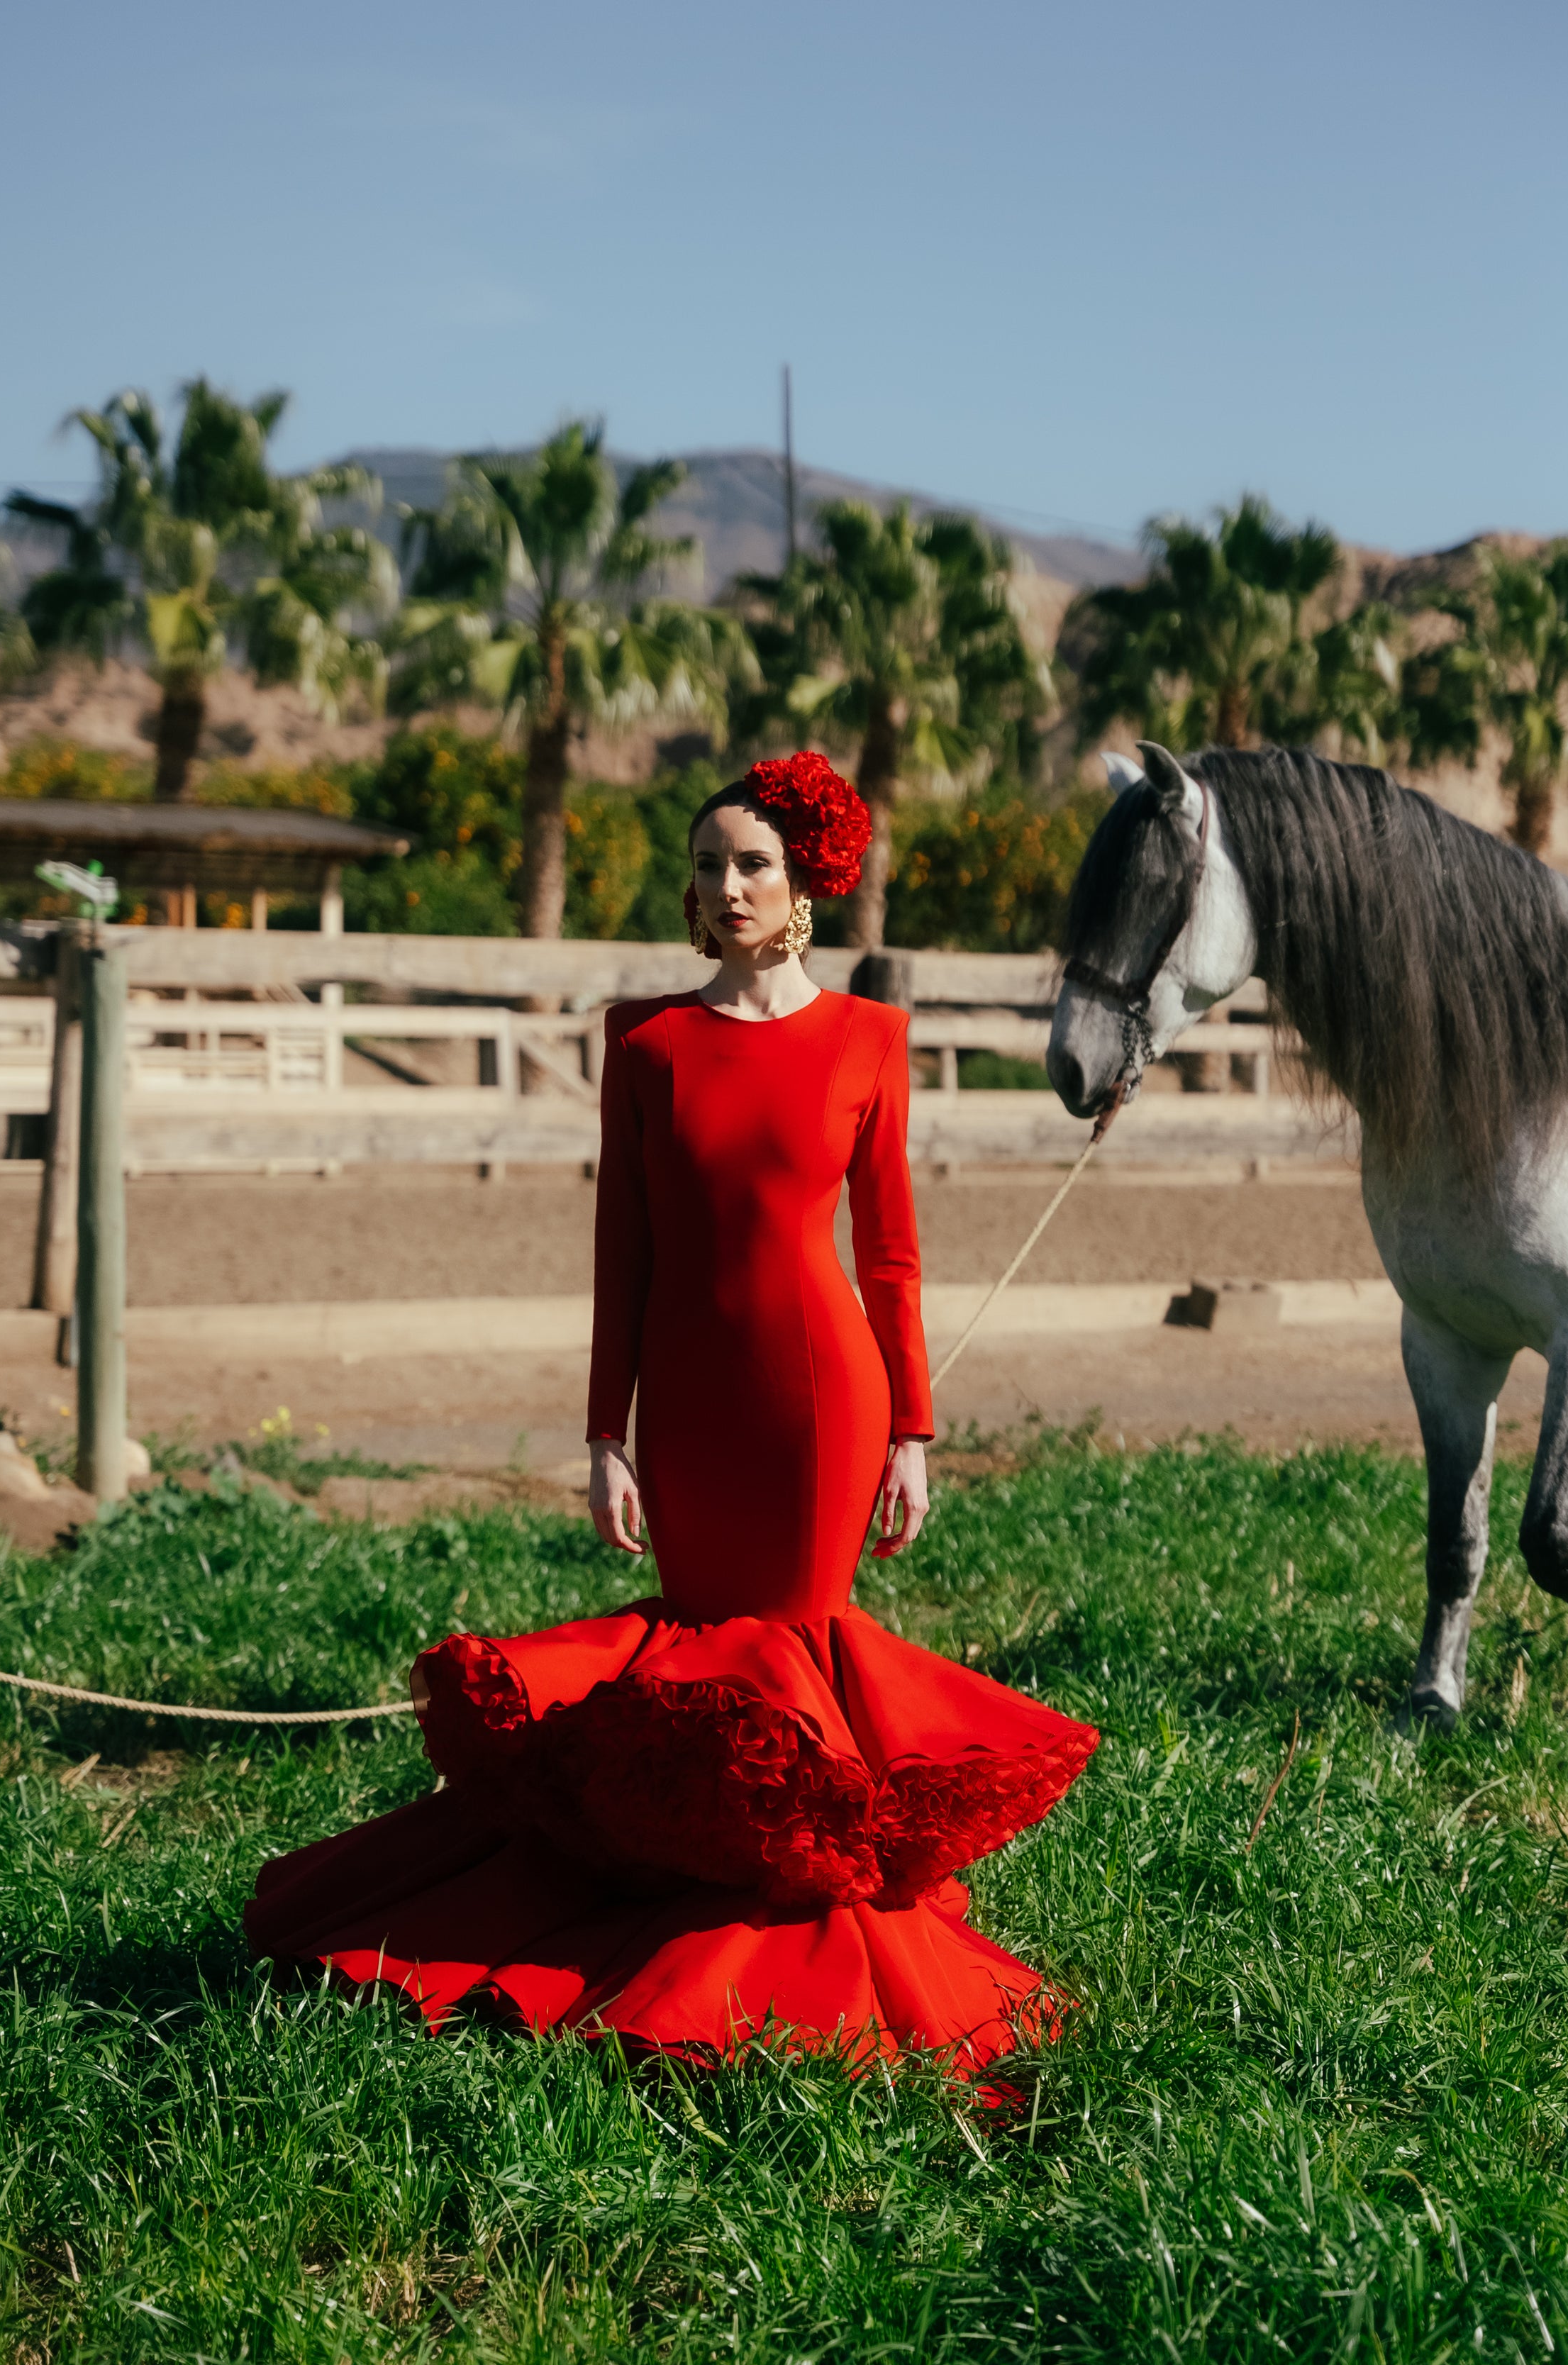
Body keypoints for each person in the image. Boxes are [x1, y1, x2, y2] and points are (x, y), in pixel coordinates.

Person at [245, 751, 1097, 2074]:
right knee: (699, 1651)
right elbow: (622, 1254)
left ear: (807, 877)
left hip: (825, 1400)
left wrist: (916, 1434)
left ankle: (780, 1953)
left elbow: (892, 1258)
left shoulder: (868, 1038)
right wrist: (604, 1435)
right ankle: (663, 1918)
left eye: (751, 862)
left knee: (799, 1649)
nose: (727, 886)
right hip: (688, 1404)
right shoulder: (645, 1040)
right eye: (707, 865)